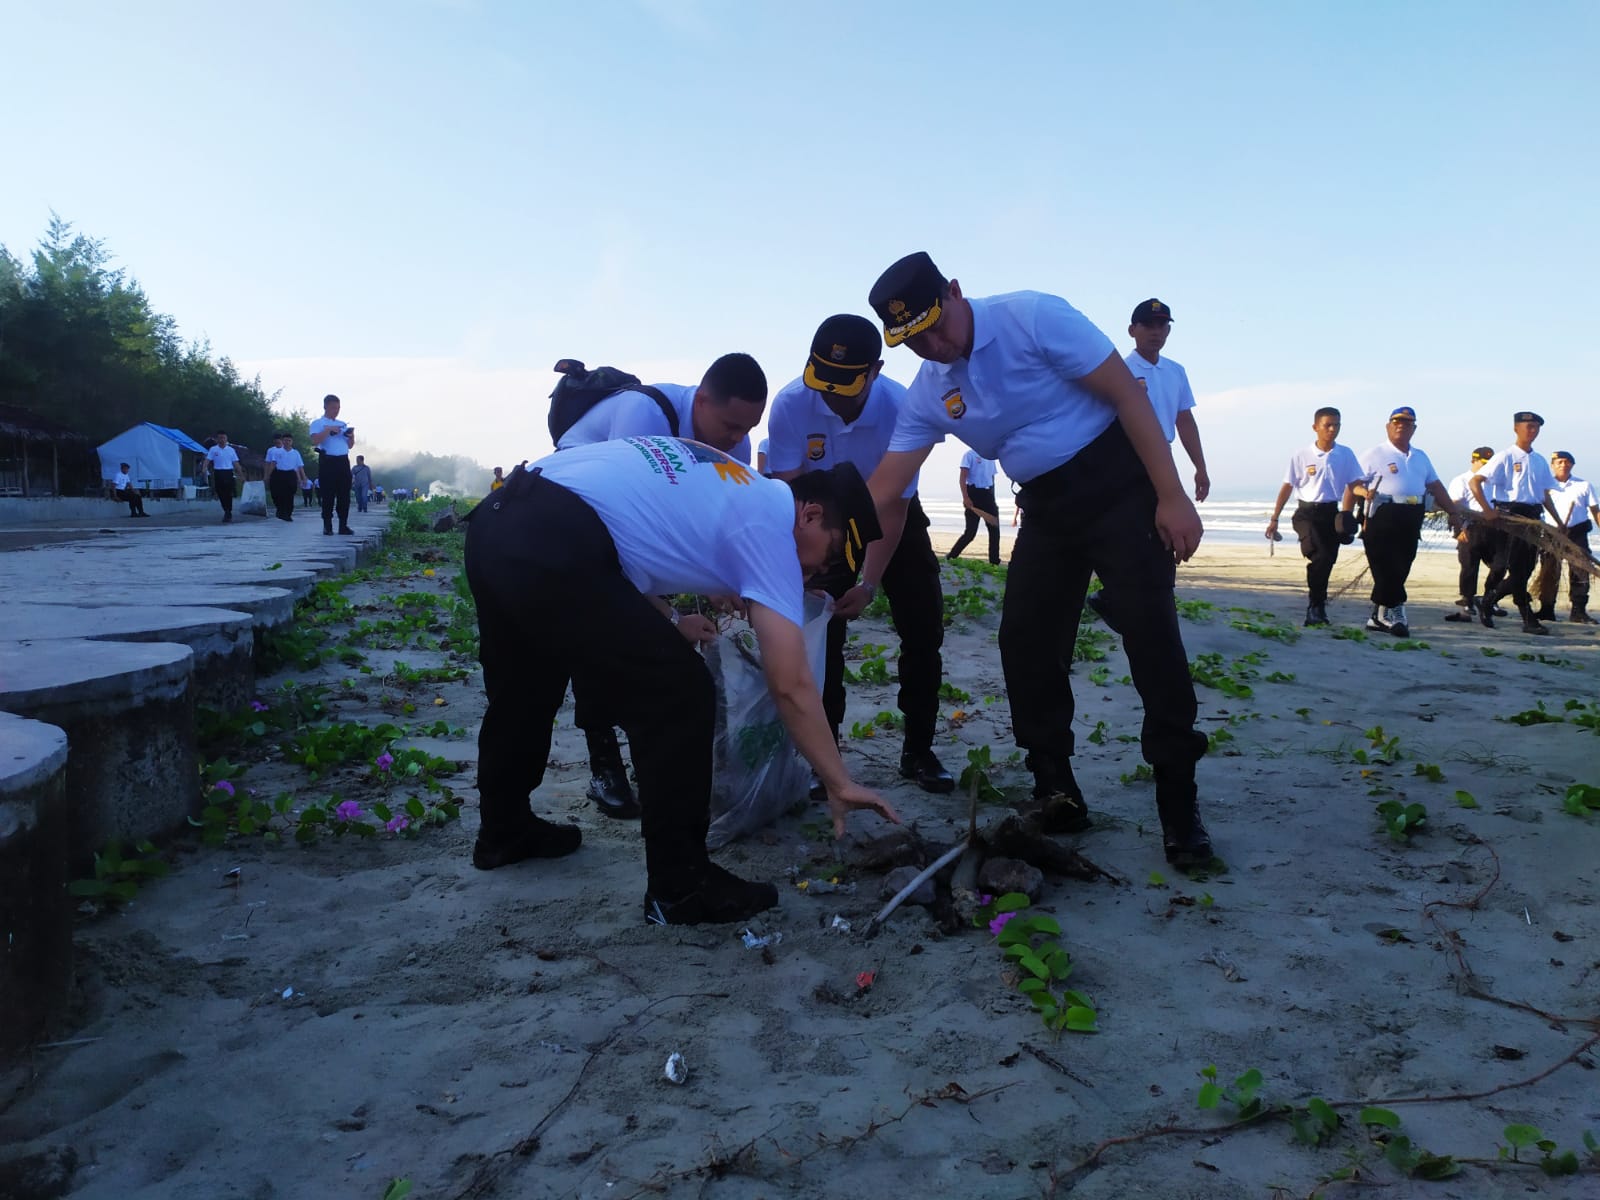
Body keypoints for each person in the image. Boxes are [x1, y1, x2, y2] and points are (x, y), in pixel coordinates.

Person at [862, 251, 1213, 866]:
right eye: (914, 341)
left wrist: (1172, 495)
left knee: (1150, 632)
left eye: (937, 326)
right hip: (1048, 509)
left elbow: (1128, 400)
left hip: (1120, 485)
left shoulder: (1032, 317)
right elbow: (887, 485)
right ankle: (1056, 787)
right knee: (1025, 639)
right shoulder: (928, 391)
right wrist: (819, 540)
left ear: (954, 290)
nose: (935, 346)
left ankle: (1178, 803)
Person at [463, 437, 899, 925]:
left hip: (498, 525)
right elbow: (791, 682)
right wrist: (838, 781)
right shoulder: (772, 527)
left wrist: (673, 619)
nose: (816, 571)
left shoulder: (734, 481)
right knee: (680, 694)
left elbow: (624, 544)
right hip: (555, 540)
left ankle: (503, 830)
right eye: (829, 557)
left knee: (525, 684)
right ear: (811, 515)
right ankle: (681, 886)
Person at [554, 352, 769, 820]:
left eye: (747, 429)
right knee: (604, 636)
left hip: (644, 519)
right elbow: (622, 550)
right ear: (703, 398)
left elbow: (720, 520)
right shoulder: (643, 418)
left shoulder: (737, 441)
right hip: (575, 513)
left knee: (659, 649)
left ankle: (658, 760)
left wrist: (725, 583)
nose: (737, 440)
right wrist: (673, 617)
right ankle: (605, 767)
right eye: (730, 426)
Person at [767, 313, 954, 796]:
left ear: (875, 370)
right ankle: (822, 760)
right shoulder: (791, 404)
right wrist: (804, 566)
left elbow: (894, 507)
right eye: (822, 380)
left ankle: (919, 750)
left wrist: (868, 582)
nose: (829, 394)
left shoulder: (903, 406)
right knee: (821, 637)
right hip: (818, 521)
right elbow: (787, 498)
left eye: (843, 384)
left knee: (922, 627)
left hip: (894, 514)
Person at [1344, 407, 1463, 638]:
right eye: (1396, 422)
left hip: (1412, 514)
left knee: (1403, 563)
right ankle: (1396, 610)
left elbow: (1435, 486)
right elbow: (1353, 484)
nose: (1401, 425)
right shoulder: (1374, 454)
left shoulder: (1420, 456)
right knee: (1383, 564)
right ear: (1388, 426)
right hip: (1381, 513)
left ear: (1414, 429)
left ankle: (1378, 615)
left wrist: (1453, 512)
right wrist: (1346, 514)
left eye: (1407, 423)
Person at [1263, 408, 1364, 626]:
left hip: (1331, 513)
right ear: (1315, 427)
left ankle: (1317, 606)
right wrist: (1274, 518)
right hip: (1306, 514)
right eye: (1327, 425)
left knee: (1327, 559)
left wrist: (1365, 493)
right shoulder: (1302, 455)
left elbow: (1355, 484)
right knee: (1319, 556)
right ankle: (1315, 606)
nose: (1332, 429)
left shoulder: (1345, 454)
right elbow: (1287, 487)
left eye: (1337, 425)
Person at [1469, 412, 1562, 634]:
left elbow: (1544, 495)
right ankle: (1527, 618)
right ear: (1516, 428)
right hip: (1509, 516)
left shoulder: (1539, 460)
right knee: (1514, 568)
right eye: (1528, 426)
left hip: (1532, 517)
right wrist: (1487, 510)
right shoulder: (1505, 456)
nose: (1532, 431)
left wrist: (1557, 522)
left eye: (1536, 427)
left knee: (1526, 569)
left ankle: (1489, 599)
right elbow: (1476, 481)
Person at [1124, 298, 1209, 502]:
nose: (1156, 332)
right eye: (1148, 325)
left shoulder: (1176, 371)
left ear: (1168, 331)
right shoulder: (1121, 370)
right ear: (1132, 330)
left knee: (1167, 524)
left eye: (1161, 326)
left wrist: (1200, 468)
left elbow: (1185, 420)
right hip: (1127, 454)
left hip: (1164, 455)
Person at [1533, 450, 1598, 624]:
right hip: (1551, 533)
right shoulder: (1544, 485)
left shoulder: (1584, 485)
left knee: (1580, 571)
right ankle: (1546, 609)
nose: (1563, 465)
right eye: (1559, 462)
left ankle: (1578, 611)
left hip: (1577, 532)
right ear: (1553, 465)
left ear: (1572, 465)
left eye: (1567, 462)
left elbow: (1595, 511)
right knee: (1549, 572)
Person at [1443, 447, 1498, 622]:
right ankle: (1467, 600)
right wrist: (1459, 529)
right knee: (1469, 566)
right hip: (1470, 527)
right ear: (1473, 460)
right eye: (1483, 463)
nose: (1485, 467)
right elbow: (1455, 506)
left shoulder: (1492, 482)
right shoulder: (1460, 481)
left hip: (1492, 528)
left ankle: (1490, 599)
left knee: (1498, 565)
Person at [309, 393, 356, 536]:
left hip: (343, 461)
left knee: (344, 495)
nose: (336, 410)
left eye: (338, 408)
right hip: (328, 461)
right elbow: (315, 441)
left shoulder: (342, 424)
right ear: (325, 407)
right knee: (328, 494)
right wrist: (328, 429)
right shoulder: (318, 423)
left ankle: (343, 525)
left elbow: (350, 445)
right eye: (333, 408)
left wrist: (351, 435)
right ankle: (327, 525)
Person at [948, 450, 1002, 565]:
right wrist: (965, 497)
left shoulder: (990, 455)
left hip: (988, 495)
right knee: (970, 533)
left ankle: (994, 561)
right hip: (973, 494)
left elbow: (992, 478)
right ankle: (951, 556)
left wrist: (992, 496)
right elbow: (962, 478)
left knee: (994, 530)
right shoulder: (969, 455)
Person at [264, 432, 308, 522]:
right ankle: (281, 511)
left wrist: (304, 478)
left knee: (290, 494)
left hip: (291, 474)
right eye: (285, 440)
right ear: (282, 441)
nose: (287, 442)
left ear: (292, 442)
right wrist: (267, 475)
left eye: (289, 440)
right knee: (278, 494)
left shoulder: (295, 453)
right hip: (279, 474)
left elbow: (300, 467)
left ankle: (287, 513)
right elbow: (273, 464)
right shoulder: (277, 452)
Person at [202, 430, 239, 523]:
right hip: (218, 472)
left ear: (226, 439)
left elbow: (235, 463)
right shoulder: (213, 449)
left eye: (223, 438)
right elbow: (207, 460)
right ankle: (226, 509)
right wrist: (204, 468)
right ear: (217, 439)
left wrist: (241, 474)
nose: (222, 440)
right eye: (220, 438)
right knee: (220, 492)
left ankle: (228, 511)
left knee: (228, 493)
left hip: (228, 472)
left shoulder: (231, 450)